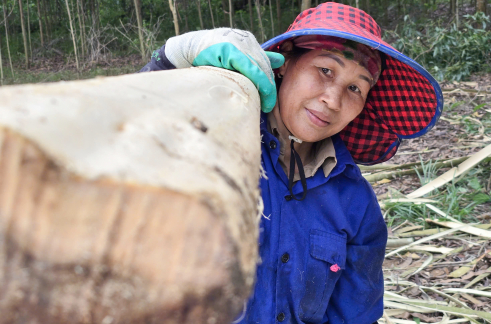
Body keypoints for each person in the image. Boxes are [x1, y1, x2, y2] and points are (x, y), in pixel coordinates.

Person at [139, 3, 443, 323]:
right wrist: (170, 58)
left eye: (355, 88)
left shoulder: (357, 206)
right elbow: (129, 138)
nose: (333, 100)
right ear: (285, 61)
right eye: (325, 70)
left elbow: (355, 314)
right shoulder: (212, 136)